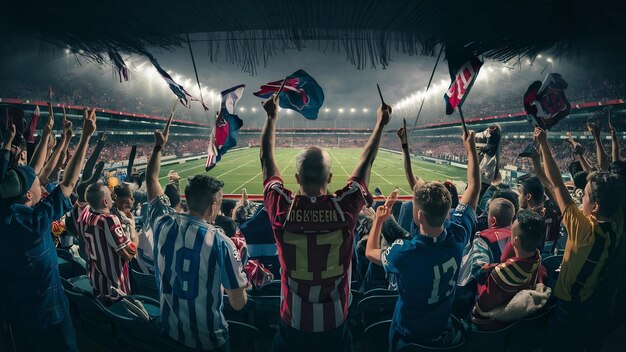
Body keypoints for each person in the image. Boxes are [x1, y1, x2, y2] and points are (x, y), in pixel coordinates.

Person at [260, 93, 386, 352]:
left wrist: (271, 118)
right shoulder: (345, 209)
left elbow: (265, 160)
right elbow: (366, 161)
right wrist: (381, 123)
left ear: (296, 177)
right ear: (330, 176)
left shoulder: (281, 209)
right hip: (335, 321)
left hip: (293, 322)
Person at [365, 129, 480, 350]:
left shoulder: (406, 253)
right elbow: (474, 186)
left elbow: (370, 252)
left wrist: (379, 220)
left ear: (419, 215)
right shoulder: (458, 235)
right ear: (448, 211)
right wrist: (471, 149)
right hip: (441, 333)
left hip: (407, 337)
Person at [0, 107, 97, 352]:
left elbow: (33, 170)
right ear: (28, 195)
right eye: (36, 183)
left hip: (15, 311)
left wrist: (45, 137)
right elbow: (69, 182)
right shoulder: (33, 224)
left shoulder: (5, 210)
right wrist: (85, 137)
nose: (40, 183)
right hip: (47, 314)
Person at [146, 121, 247, 351]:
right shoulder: (221, 241)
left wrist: (158, 148)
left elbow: (151, 180)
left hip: (170, 334)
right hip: (209, 341)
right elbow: (238, 303)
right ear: (213, 205)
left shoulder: (162, 222)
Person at [535, 127, 624, 351]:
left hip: (568, 305)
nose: (580, 197)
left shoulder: (582, 228)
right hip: (589, 299)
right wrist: (598, 139)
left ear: (595, 207)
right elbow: (606, 172)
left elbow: (556, 183)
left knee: (557, 343)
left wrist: (544, 144)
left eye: (584, 195)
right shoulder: (616, 221)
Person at [472, 209, 548, 331]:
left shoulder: (500, 275)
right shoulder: (538, 263)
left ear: (514, 241)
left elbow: (481, 310)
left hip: (494, 327)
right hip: (518, 325)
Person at [80, 181, 137, 300]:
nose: (113, 198)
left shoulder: (86, 215)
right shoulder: (109, 220)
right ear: (105, 202)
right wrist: (132, 228)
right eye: (110, 196)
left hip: (96, 282)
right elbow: (130, 254)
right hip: (114, 288)